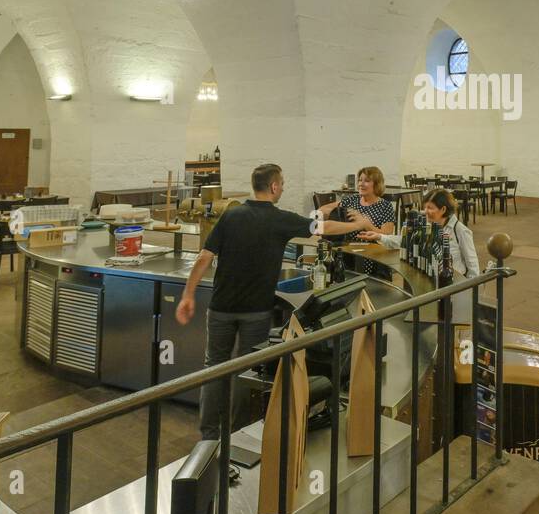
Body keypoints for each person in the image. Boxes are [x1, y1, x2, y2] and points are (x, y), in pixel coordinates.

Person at [176, 162, 371, 440]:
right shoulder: (279, 219)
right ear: (274, 186)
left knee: (214, 368)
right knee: (246, 371)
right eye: (283, 183)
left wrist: (188, 295)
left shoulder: (231, 216)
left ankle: (208, 435)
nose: (284, 187)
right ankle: (238, 433)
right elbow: (322, 227)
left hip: (219, 308)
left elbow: (204, 257)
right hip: (255, 311)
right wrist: (358, 224)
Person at [358, 187, 479, 319]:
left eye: (430, 207)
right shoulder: (429, 226)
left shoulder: (460, 230)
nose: (425, 211)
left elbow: (473, 267)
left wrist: (469, 296)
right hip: (431, 281)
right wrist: (379, 237)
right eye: (424, 207)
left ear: (443, 209)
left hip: (454, 287)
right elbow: (405, 240)